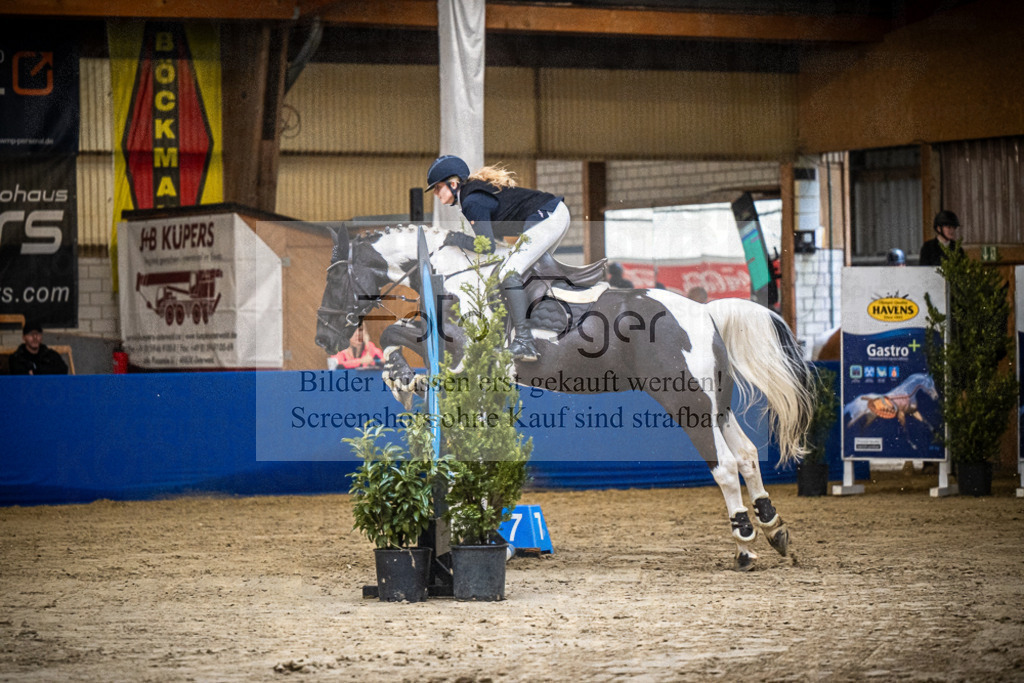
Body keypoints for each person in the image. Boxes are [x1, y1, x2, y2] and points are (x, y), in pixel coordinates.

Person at [427, 155, 570, 362]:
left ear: (453, 183)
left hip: (547, 216)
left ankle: (524, 342)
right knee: (528, 270)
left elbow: (486, 246)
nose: (435, 193)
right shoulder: (471, 195)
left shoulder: (471, 201)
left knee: (508, 272)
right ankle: (546, 322)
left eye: (438, 187)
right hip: (554, 214)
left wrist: (455, 238)